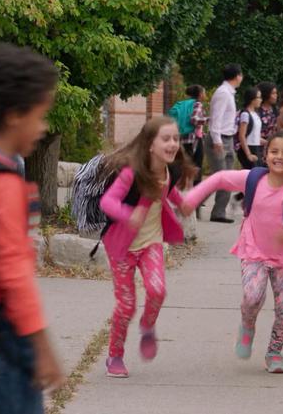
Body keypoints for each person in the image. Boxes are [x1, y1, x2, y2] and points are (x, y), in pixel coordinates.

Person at [0, 43, 65, 413]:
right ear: (15, 115)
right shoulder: (1, 182)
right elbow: (14, 274)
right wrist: (43, 348)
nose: (44, 126)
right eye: (40, 115)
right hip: (0, 332)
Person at [179, 131, 283, 374]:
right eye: (274, 151)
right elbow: (218, 179)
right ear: (266, 155)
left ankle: (274, 352)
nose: (279, 157)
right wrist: (193, 198)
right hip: (254, 250)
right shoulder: (254, 179)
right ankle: (247, 326)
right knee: (252, 297)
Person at [99, 117, 193, 378]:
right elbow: (107, 202)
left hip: (151, 242)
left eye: (176, 138)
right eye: (166, 139)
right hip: (122, 248)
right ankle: (115, 355)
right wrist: (128, 215)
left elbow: (167, 191)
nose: (173, 143)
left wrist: (181, 202)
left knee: (158, 290)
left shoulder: (169, 171)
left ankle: (147, 325)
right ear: (150, 145)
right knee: (126, 305)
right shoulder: (131, 173)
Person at [206, 64, 244, 224]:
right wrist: (217, 140)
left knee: (227, 178)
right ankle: (192, 202)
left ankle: (219, 211)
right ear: (237, 76)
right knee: (220, 178)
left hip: (227, 138)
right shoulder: (223, 93)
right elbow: (216, 118)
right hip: (220, 138)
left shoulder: (229, 93)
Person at [170, 85, 208, 187]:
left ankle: (170, 186)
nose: (205, 94)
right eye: (204, 92)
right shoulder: (197, 104)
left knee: (181, 163)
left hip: (184, 137)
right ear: (200, 94)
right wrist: (208, 120)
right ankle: (197, 193)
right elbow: (194, 119)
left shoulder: (185, 103)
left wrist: (203, 133)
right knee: (197, 165)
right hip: (193, 139)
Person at [237, 87, 263, 169]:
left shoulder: (255, 114)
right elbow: (242, 135)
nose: (261, 100)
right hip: (249, 148)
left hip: (256, 148)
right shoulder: (245, 114)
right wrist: (248, 154)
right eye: (259, 97)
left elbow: (254, 135)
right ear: (252, 99)